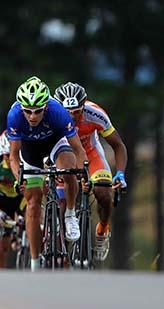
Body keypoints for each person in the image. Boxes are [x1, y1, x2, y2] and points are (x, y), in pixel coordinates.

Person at [7, 76, 87, 271]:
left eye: (37, 111)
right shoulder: (14, 115)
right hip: (30, 152)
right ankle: (35, 262)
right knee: (33, 204)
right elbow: (14, 155)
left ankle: (69, 214)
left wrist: (81, 171)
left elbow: (78, 149)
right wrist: (20, 178)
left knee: (68, 168)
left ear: (46, 107)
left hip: (55, 143)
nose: (32, 116)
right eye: (28, 111)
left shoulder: (58, 112)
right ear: (21, 108)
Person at [54, 82, 127, 261]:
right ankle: (58, 251)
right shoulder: (51, 115)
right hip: (63, 153)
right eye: (67, 112)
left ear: (84, 105)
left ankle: (102, 230)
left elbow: (118, 145)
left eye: (77, 111)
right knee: (62, 204)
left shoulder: (95, 113)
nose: (72, 116)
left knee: (104, 193)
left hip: (90, 154)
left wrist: (120, 173)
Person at [0, 131, 27, 268]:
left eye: (15, 154)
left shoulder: (26, 160)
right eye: (7, 155)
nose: (11, 158)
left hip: (23, 197)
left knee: (34, 215)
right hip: (5, 200)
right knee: (2, 244)